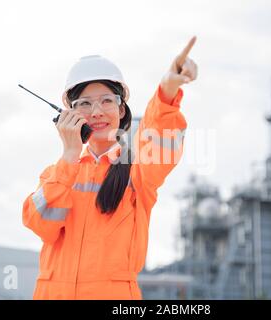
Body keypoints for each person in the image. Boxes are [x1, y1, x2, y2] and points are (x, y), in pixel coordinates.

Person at [22, 37, 198, 299]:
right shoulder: (55, 174)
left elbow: (161, 138)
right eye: (84, 103)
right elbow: (42, 225)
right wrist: (69, 155)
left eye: (106, 100)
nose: (96, 111)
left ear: (121, 108)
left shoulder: (137, 169)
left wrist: (167, 91)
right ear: (69, 114)